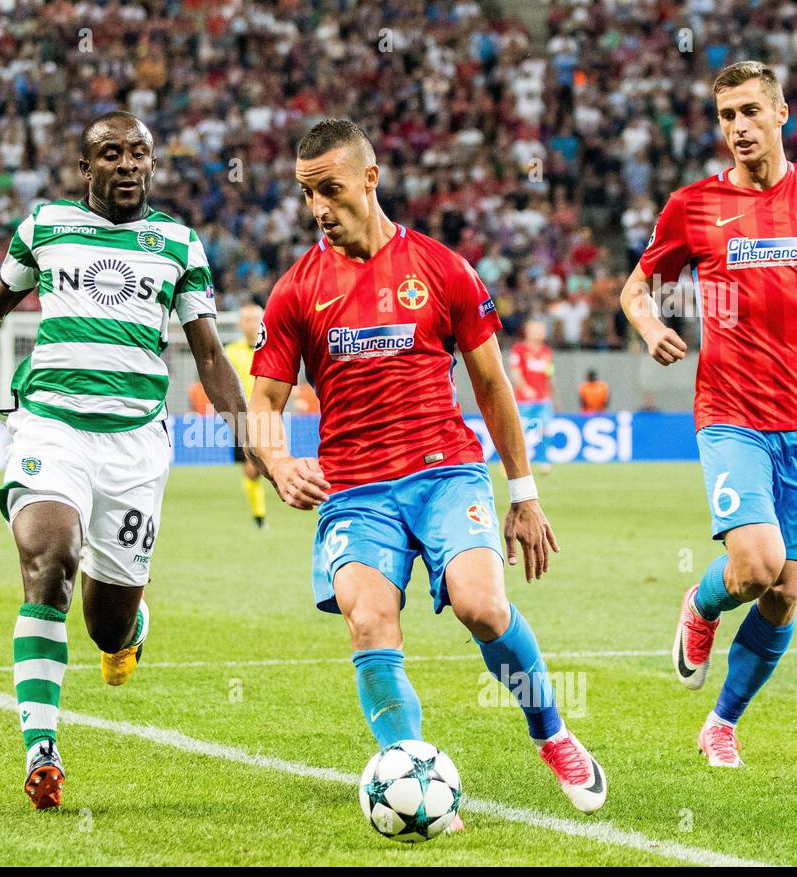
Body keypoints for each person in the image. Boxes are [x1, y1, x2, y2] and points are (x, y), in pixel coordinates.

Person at [248, 119, 606, 817]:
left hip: (444, 471)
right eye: (306, 193)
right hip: (353, 489)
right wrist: (279, 459)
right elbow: (261, 400)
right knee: (369, 619)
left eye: (330, 189)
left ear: (371, 179)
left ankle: (552, 731)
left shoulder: (442, 269)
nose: (318, 207)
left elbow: (493, 385)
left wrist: (524, 495)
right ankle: (408, 771)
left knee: (481, 603)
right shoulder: (296, 290)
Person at [0, 112, 247, 811]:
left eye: (138, 154)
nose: (126, 165)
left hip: (136, 447)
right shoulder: (47, 224)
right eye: (110, 154)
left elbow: (207, 351)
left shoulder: (178, 243)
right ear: (87, 168)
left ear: (151, 164)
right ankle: (42, 748)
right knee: (47, 558)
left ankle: (131, 629)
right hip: (50, 426)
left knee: (105, 625)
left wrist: (247, 428)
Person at [620, 61, 797, 768]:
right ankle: (703, 605)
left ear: (780, 115)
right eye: (725, 115)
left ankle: (722, 722)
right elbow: (636, 289)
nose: (737, 127)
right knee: (758, 563)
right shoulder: (692, 207)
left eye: (748, 112)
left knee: (784, 591)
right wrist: (650, 330)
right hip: (731, 411)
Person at [225, 301, 268, 528]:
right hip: (241, 419)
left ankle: (260, 516)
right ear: (240, 323)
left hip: (268, 416)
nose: (250, 324)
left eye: (254, 318)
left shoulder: (270, 347)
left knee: (256, 467)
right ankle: (259, 517)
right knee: (250, 471)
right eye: (246, 319)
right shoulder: (231, 352)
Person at [508, 318, 555, 474]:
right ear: (528, 330)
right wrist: (525, 388)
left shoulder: (546, 351)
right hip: (524, 400)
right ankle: (516, 462)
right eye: (537, 329)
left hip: (543, 399)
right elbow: (515, 371)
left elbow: (549, 374)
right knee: (521, 431)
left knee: (546, 430)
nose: (540, 332)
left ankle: (544, 461)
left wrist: (552, 395)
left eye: (542, 329)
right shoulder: (519, 350)